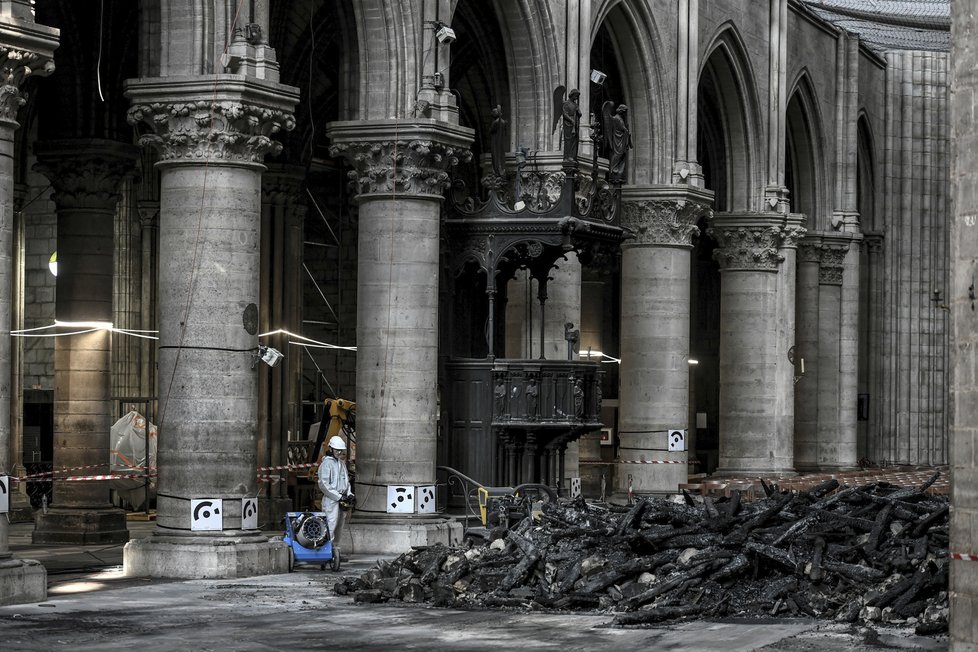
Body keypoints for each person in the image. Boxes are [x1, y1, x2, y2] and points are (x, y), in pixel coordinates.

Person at [318, 435, 353, 557]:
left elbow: (346, 482)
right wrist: (338, 496)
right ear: (331, 449)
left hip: (341, 499)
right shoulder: (326, 464)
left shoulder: (341, 464)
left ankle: (336, 551)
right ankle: (326, 551)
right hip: (331, 500)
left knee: (339, 525)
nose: (339, 452)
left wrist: (349, 494)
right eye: (337, 450)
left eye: (341, 450)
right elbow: (324, 485)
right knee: (330, 524)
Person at [562, 89, 581, 162]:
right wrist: (571, 120)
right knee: (568, 141)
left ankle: (573, 156)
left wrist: (579, 112)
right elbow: (565, 114)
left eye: (577, 96)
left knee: (574, 141)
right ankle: (567, 157)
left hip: (575, 124)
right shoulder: (566, 103)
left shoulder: (575, 105)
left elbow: (579, 114)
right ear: (572, 95)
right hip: (568, 124)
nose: (576, 98)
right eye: (576, 96)